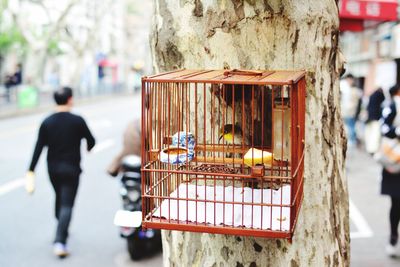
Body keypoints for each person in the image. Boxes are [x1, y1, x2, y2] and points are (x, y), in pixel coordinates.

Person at [26, 86, 95, 258]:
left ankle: (61, 226)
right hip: (71, 169)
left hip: (53, 169)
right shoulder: (77, 120)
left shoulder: (47, 121)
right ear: (70, 99)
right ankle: (60, 241)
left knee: (59, 197)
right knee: (67, 204)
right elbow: (91, 141)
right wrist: (88, 147)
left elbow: (38, 147)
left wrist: (31, 170)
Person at [380, 84, 400, 257]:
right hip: (395, 162)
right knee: (396, 204)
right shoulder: (392, 106)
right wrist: (397, 131)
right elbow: (383, 128)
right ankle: (393, 238)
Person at [340, 74, 362, 147]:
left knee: (351, 126)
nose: (349, 81)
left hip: (351, 111)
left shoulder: (354, 89)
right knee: (348, 126)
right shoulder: (343, 87)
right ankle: (352, 139)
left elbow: (357, 101)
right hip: (344, 111)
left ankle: (352, 140)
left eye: (351, 80)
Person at [365, 87, 386, 154]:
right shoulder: (380, 95)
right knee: (375, 134)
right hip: (376, 117)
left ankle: (368, 147)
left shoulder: (372, 95)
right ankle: (372, 149)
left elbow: (368, 106)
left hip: (370, 117)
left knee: (369, 132)